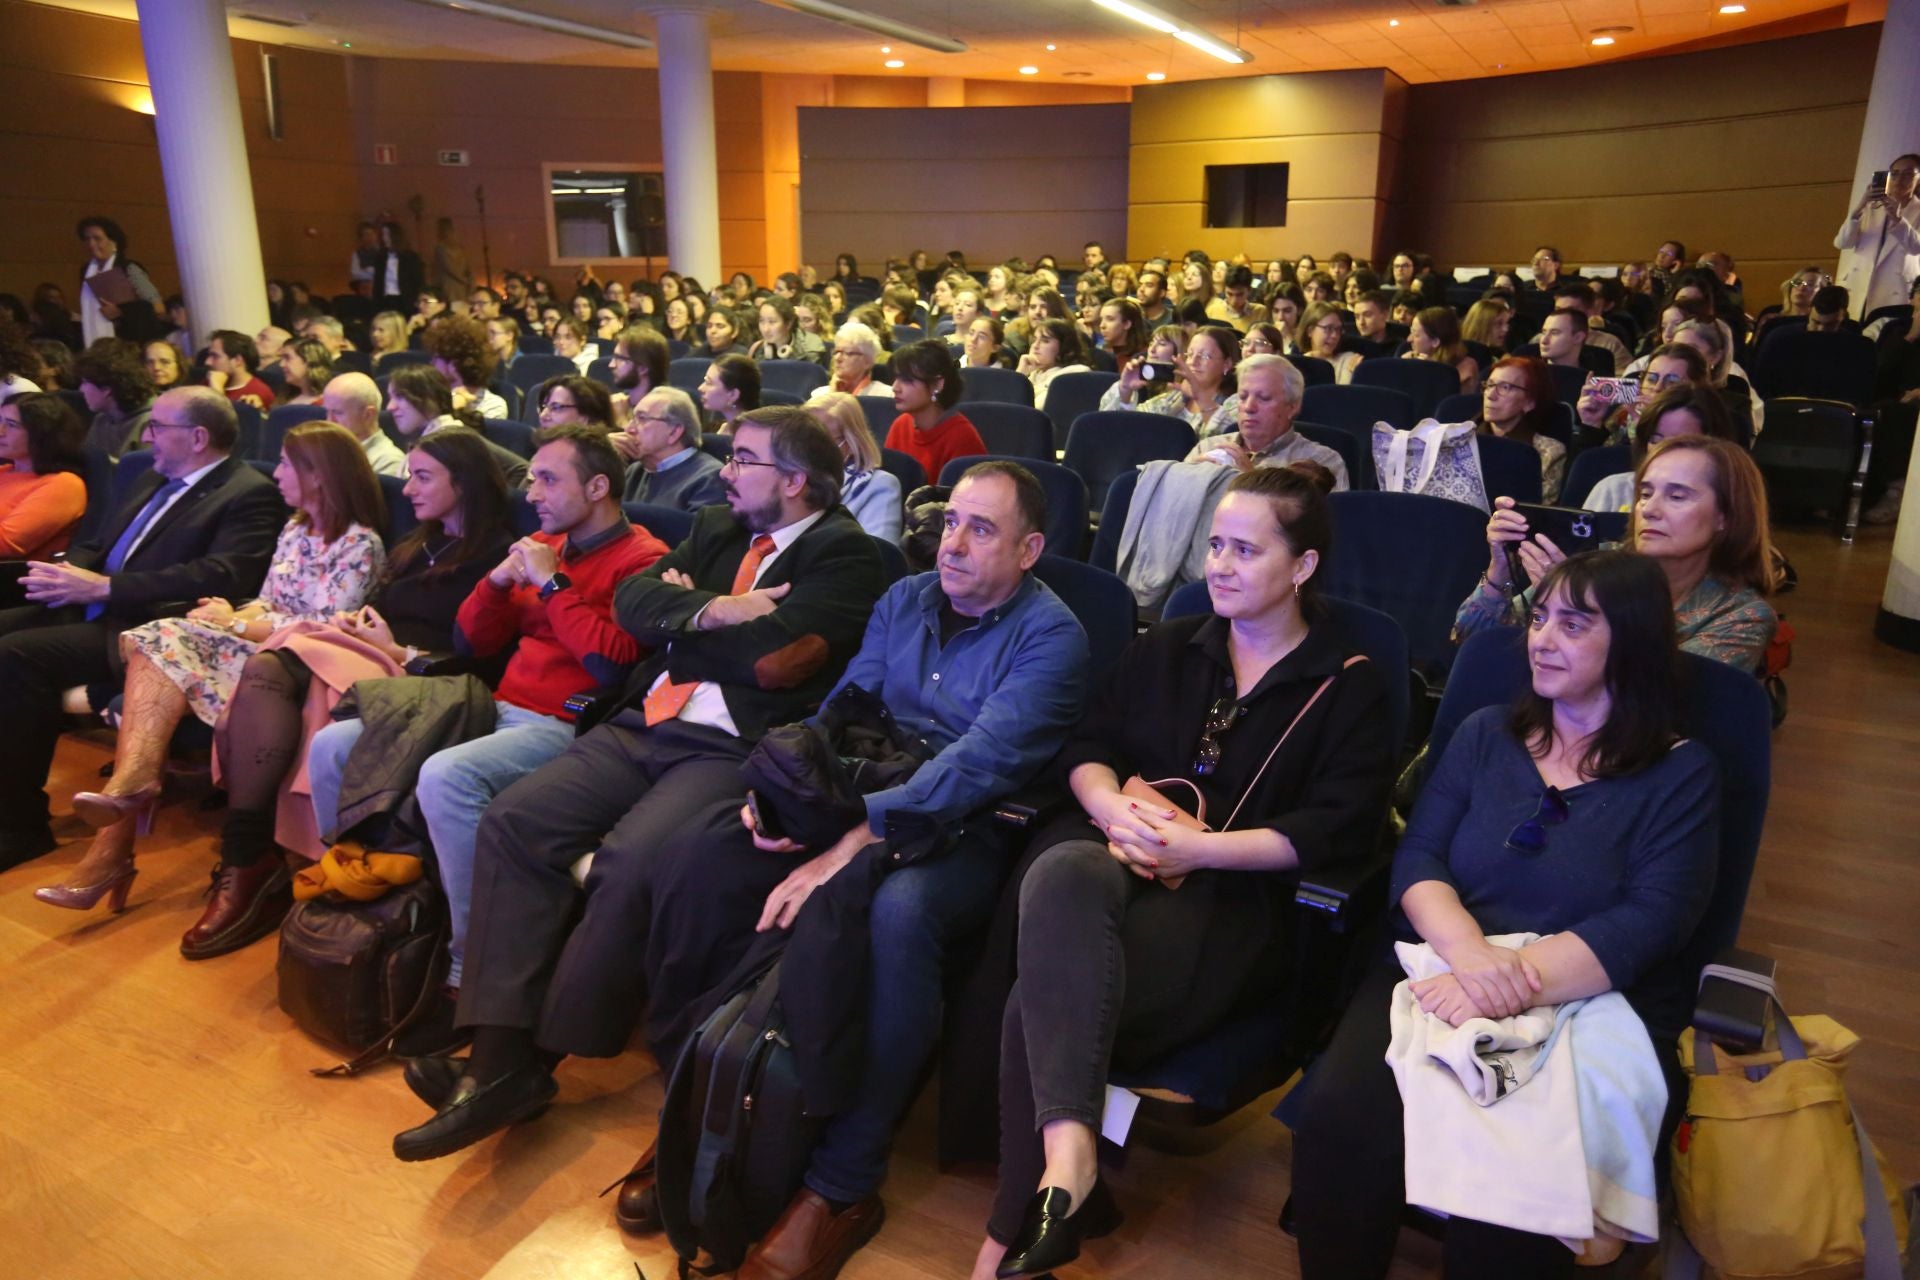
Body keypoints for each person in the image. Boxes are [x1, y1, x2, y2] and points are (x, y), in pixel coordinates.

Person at [388, 408, 887, 1162]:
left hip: (729, 746)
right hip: (645, 721)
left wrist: (685, 627)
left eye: (744, 459)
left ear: (794, 481)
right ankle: (496, 1062)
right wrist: (716, 611)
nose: (725, 469)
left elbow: (777, 666)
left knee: (629, 862)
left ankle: (527, 1064)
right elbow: (634, 607)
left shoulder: (852, 557)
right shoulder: (720, 527)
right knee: (515, 820)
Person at [975, 464, 1394, 1280]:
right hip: (1127, 876)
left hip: (1240, 911)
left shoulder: (1349, 685)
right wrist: (1110, 810)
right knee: (1063, 864)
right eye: (1214, 546)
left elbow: (1336, 830)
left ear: (1302, 567)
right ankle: (1067, 1175)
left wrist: (1199, 851)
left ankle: (1011, 1231)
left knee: (1040, 996)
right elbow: (1089, 746)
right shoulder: (1171, 645)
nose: (1222, 566)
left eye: (1246, 549)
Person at [1291, 548, 1720, 1279]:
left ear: (1635, 643)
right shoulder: (1487, 733)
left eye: (1574, 624)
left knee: (1513, 1187)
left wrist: (1507, 978)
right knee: (1340, 1118)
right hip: (1437, 970)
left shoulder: (1681, 774)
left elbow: (1652, 919)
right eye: (1541, 616)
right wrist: (1470, 954)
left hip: (1584, 999)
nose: (1543, 638)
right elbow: (1418, 858)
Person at [305, 426, 669, 1007]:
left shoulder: (643, 559)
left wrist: (552, 584)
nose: (532, 493)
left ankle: (469, 962)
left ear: (598, 486)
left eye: (549, 479)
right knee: (333, 745)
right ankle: (373, 907)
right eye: (532, 478)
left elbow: (612, 663)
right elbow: (471, 641)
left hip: (562, 721)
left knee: (449, 776)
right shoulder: (545, 543)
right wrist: (497, 584)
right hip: (490, 703)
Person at [181, 429, 513, 956]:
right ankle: (254, 857)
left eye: (423, 477)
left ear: (465, 484)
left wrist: (396, 647)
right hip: (363, 651)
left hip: (423, 674)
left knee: (277, 661)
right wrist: (357, 624)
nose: (407, 490)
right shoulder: (418, 544)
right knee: (280, 665)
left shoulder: (499, 557)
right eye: (409, 475)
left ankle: (248, 858)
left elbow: (484, 652)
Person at [35, 421, 386, 919]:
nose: (278, 472)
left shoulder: (360, 544)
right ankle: (127, 801)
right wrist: (232, 614)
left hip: (294, 669)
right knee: (163, 635)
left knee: (160, 639)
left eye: (288, 464)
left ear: (320, 475)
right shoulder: (295, 528)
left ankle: (119, 822)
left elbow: (323, 627)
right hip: (257, 644)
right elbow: (266, 602)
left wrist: (237, 626)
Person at [0, 387, 286, 866]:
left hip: (147, 625)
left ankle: (19, 826)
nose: (147, 436)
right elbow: (98, 543)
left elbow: (221, 574)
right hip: (92, 603)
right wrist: (68, 573)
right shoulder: (151, 476)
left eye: (158, 427)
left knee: (15, 656)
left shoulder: (248, 493)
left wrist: (106, 589)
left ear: (197, 437)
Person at [1462, 435, 1777, 672]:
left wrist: (1572, 602)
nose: (1649, 510)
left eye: (1677, 496)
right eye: (1645, 493)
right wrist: (1500, 572)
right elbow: (1473, 644)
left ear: (1726, 516)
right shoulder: (1600, 562)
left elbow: (1661, 697)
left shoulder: (1740, 616)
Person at [1182, 354, 1350, 486]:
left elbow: (1316, 526)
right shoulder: (1207, 447)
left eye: (1264, 398)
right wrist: (1186, 479)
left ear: (1292, 406)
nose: (1248, 407)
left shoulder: (1321, 462)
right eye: (1242, 397)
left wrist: (1250, 480)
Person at [1582, 383, 1738, 515]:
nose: (1662, 451)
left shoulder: (1727, 500)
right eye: (1655, 439)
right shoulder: (1613, 490)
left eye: (1678, 442)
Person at [385, 365, 529, 485]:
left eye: (400, 397)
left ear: (429, 400)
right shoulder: (425, 438)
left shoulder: (455, 439)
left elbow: (520, 469)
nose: (390, 407)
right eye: (391, 397)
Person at [1104, 324, 1241, 437]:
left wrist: (1201, 397)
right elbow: (1129, 429)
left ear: (1227, 364)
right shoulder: (1175, 398)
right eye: (1190, 354)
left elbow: (1226, 441)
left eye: (1204, 356)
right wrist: (1125, 392)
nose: (1193, 362)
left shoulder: (1236, 404)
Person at [0, 393, 89, 559]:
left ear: (40, 434)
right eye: (0, 420)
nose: (1, 431)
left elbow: (5, 544)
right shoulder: (5, 470)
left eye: (11, 425)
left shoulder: (64, 485)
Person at [883, 340, 986, 482]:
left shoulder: (962, 438)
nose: (895, 387)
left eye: (907, 380)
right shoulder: (900, 425)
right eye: (896, 378)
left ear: (937, 384)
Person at [1835, 155, 1920, 318]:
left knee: (1881, 334)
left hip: (1895, 288)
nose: (1899, 179)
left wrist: (1898, 218)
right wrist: (1861, 205)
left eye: (1908, 174)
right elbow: (1842, 243)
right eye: (1894, 173)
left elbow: (1916, 247)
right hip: (1859, 283)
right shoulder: (1872, 207)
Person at [810, 390, 902, 540]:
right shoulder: (792, 481)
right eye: (802, 436)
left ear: (851, 443)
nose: (807, 447)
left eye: (819, 439)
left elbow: (881, 555)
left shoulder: (880, 486)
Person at [621, 386, 728, 509]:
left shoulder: (709, 478)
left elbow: (695, 528)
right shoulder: (635, 471)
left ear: (674, 432)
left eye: (642, 418)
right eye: (632, 418)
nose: (628, 429)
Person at [1477, 356, 1567, 501]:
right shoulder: (1458, 440)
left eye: (1505, 387)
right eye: (1490, 385)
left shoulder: (1548, 452)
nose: (1490, 395)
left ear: (1530, 402)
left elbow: (1539, 512)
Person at [76, 216, 162, 345]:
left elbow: (158, 307)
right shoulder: (86, 272)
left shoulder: (130, 268)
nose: (91, 244)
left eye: (97, 239)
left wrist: (122, 311)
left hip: (129, 342)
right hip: (95, 342)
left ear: (114, 242)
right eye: (87, 239)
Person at [74, 340, 155, 458]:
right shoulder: (101, 421)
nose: (81, 389)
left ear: (106, 389)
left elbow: (145, 473)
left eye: (85, 382)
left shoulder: (152, 422)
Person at [323, 372, 410, 479]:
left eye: (338, 412)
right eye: (327, 412)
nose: (329, 421)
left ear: (368, 415)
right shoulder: (328, 450)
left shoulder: (388, 462)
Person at [425, 317, 507, 419]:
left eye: (437, 357)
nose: (432, 363)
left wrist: (456, 407)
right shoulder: (432, 399)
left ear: (454, 363)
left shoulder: (493, 406)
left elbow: (458, 434)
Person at [1017, 318, 1092, 412]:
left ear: (1065, 346)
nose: (1035, 346)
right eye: (1034, 340)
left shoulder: (1076, 373)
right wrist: (1020, 374)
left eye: (1045, 341)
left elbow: (1036, 409)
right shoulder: (1033, 374)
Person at [205, 330, 276, 410]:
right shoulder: (207, 382)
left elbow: (225, 420)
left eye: (215, 356)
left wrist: (217, 390)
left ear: (237, 360)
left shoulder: (259, 392)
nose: (208, 362)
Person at [1296, 302, 1361, 383]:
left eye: (1338, 329)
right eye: (1328, 328)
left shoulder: (1348, 360)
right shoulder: (1296, 366)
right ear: (1310, 331)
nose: (1335, 336)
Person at [699, 354, 760, 435]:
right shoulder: (713, 428)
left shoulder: (756, 438)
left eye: (709, 383)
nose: (700, 388)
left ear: (733, 395)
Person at [276, 337, 335, 408]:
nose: (281, 364)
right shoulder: (285, 397)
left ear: (309, 360)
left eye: (287, 358)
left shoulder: (329, 403)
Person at [1207, 265, 1269, 333]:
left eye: (1240, 295)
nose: (1234, 301)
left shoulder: (1260, 312)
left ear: (1249, 290)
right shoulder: (1212, 311)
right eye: (1229, 294)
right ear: (1224, 289)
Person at [1097, 297, 1147, 367]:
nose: (1102, 325)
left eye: (1110, 319)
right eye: (1101, 319)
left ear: (1126, 324)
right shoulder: (1100, 353)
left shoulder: (1144, 357)